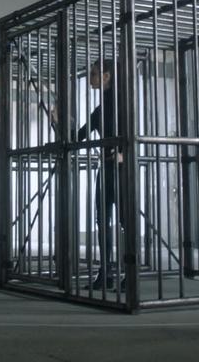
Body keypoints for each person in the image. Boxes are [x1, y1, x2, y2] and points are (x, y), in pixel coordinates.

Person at [76, 59, 125, 290]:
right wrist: (57, 122)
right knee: (102, 220)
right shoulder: (102, 107)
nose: (91, 78)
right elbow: (79, 135)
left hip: (123, 169)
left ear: (106, 76)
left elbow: (131, 132)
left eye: (94, 74)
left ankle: (127, 274)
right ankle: (105, 274)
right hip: (106, 168)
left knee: (125, 221)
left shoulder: (121, 101)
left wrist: (123, 153)